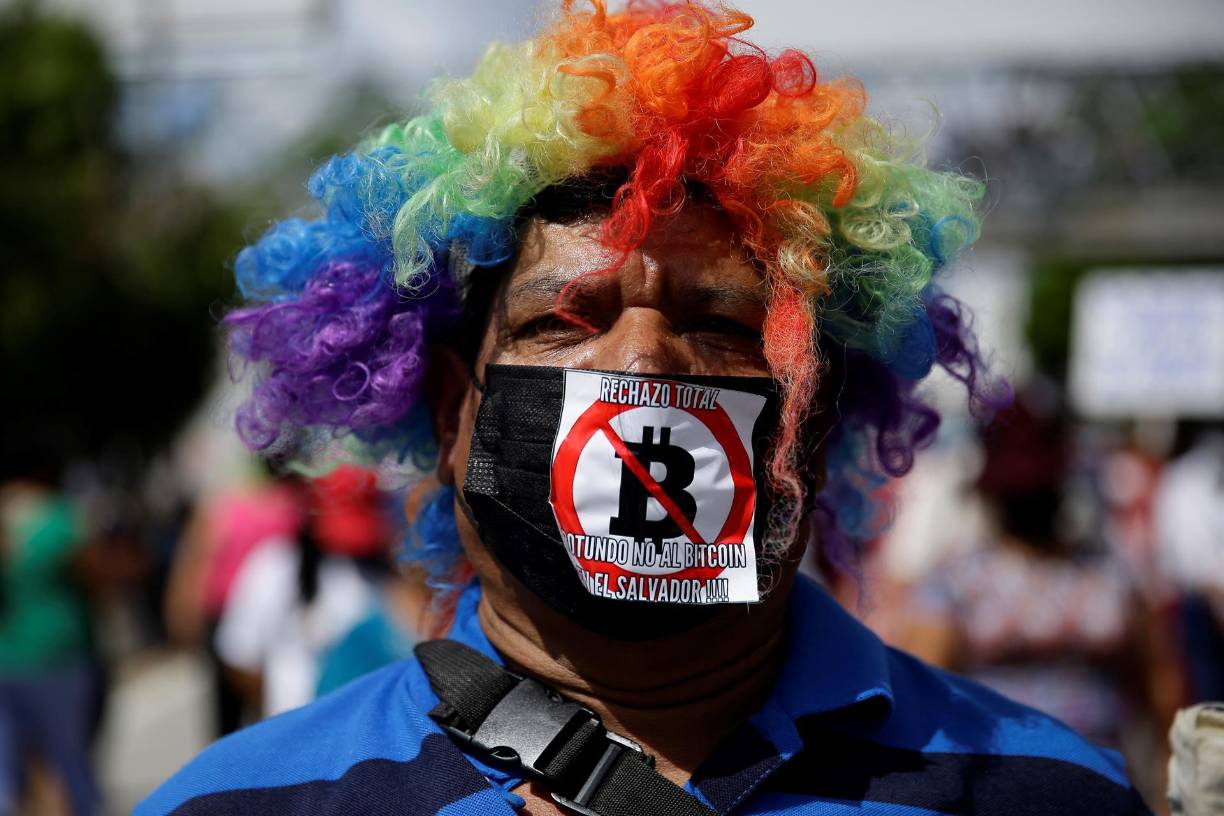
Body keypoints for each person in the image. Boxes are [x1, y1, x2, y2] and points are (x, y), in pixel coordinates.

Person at [140, 2, 1151, 813]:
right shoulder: (246, 803)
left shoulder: (1049, 793)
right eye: (563, 322)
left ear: (817, 417)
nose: (642, 365)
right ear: (453, 414)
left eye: (723, 326)